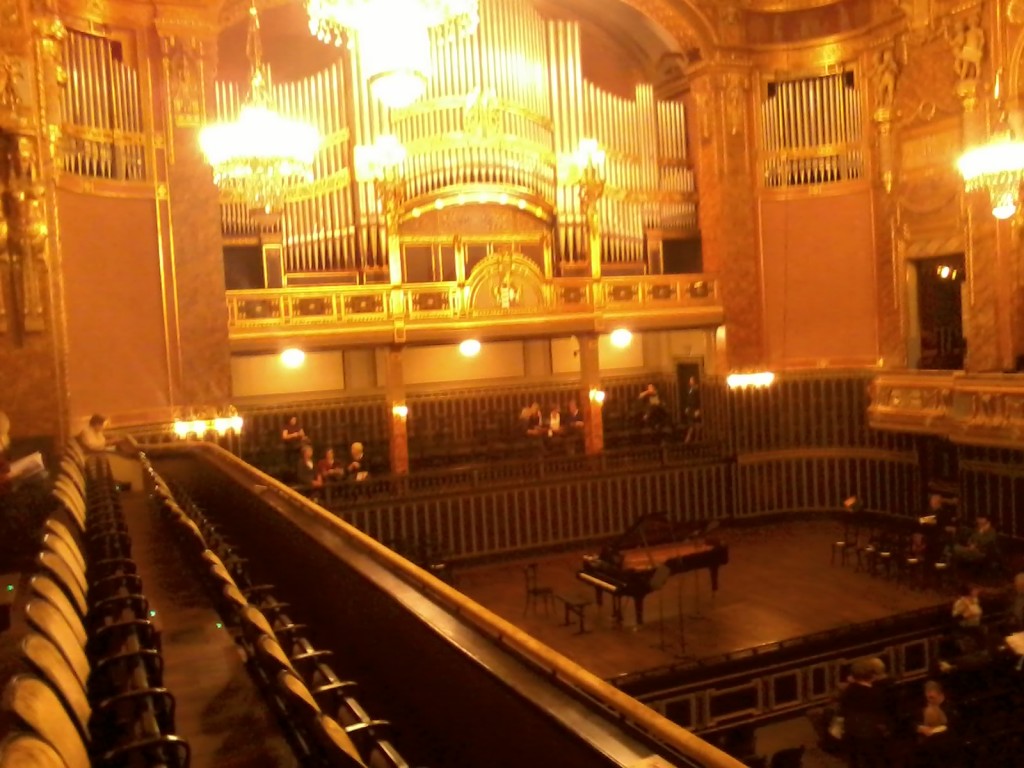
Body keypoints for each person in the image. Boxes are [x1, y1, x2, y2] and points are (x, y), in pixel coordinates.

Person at [838, 659, 890, 768]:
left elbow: (843, 711)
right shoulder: (875, 694)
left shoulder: (848, 691)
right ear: (871, 675)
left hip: (852, 733)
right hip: (871, 735)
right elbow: (881, 715)